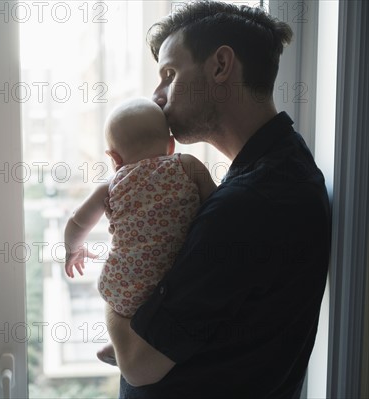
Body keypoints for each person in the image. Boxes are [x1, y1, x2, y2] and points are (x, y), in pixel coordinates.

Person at [103, 2, 332, 398]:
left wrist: (119, 270)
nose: (157, 97)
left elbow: (139, 365)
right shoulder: (277, 166)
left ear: (221, 65)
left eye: (169, 75)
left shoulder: (252, 202)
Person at [64, 97, 216, 363]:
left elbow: (77, 222)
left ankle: (119, 345)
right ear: (170, 145)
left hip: (127, 281)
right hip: (180, 278)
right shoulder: (188, 165)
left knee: (123, 306)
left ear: (114, 158)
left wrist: (73, 250)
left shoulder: (110, 185)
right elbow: (216, 207)